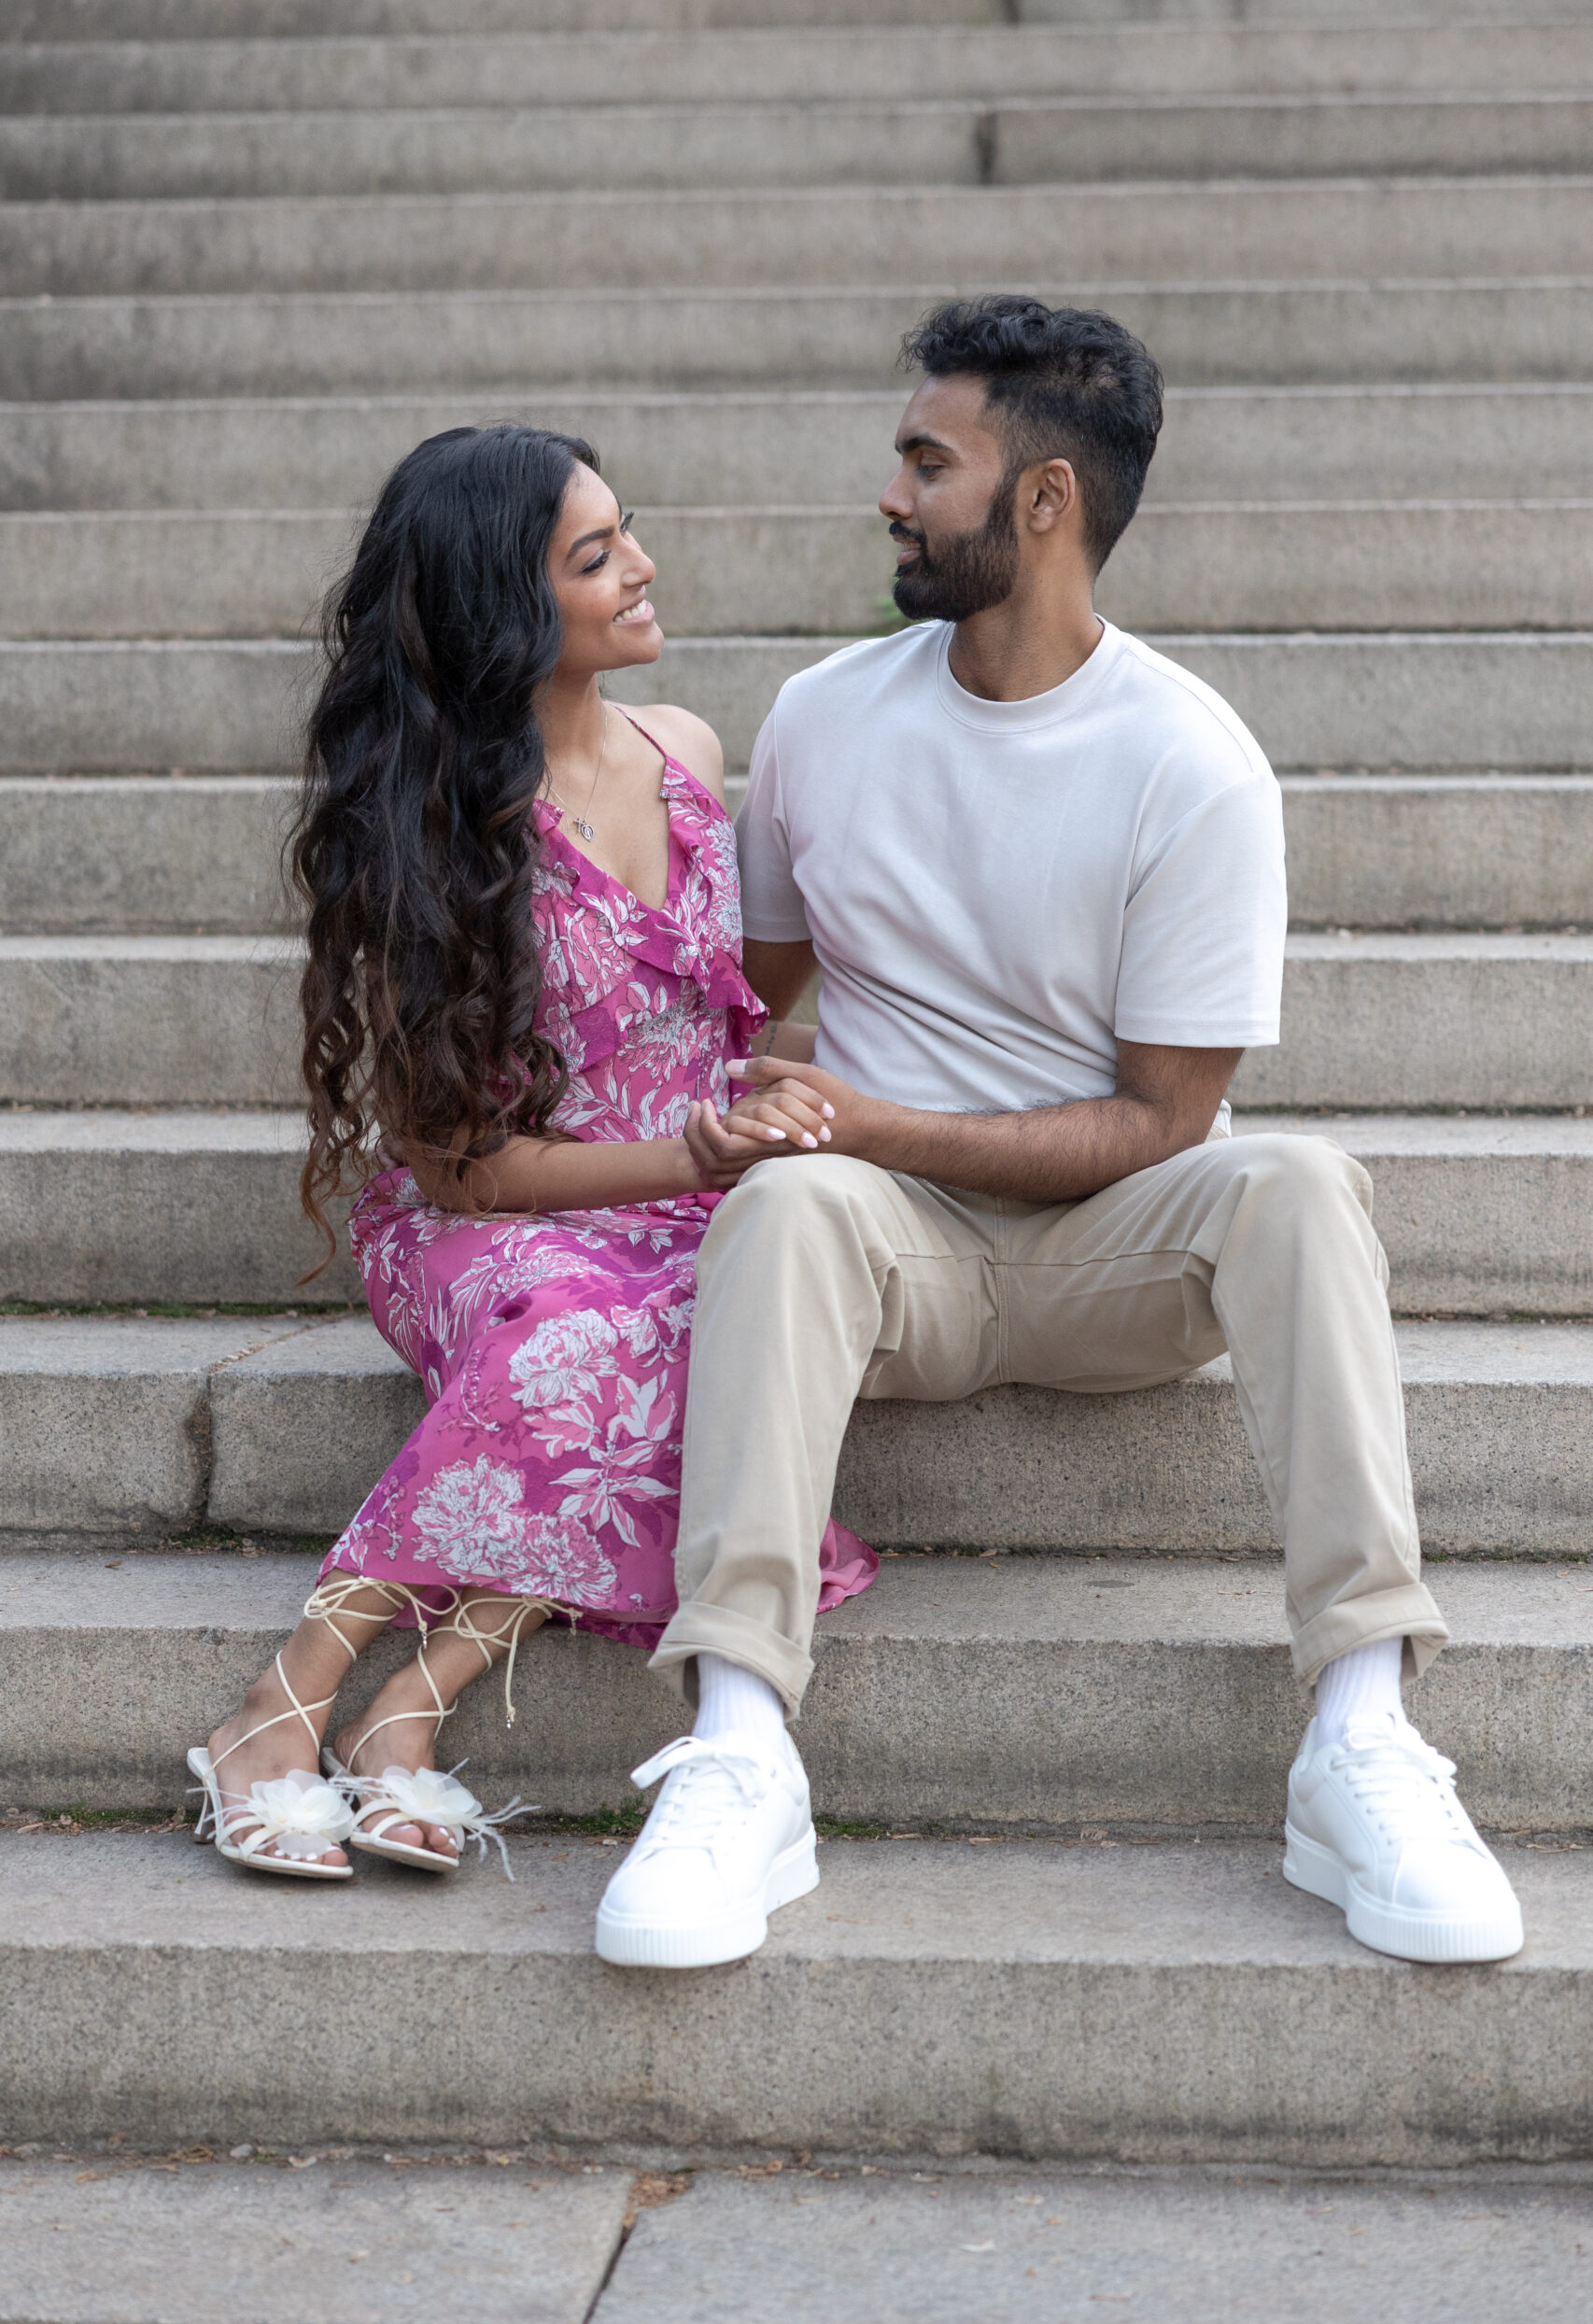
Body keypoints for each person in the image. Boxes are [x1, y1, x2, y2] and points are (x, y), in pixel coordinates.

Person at [594, 297, 1526, 1971]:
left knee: (1299, 1183)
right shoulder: (820, 718)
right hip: (884, 1255)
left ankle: (1362, 1728)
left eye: (926, 462)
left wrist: (868, 1115)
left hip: (1117, 1261)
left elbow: (1165, 1122)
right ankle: (737, 1744)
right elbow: (739, 995)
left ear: (1043, 500)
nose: (891, 496)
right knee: (792, 1208)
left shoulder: (1190, 763)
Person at [188, 423, 876, 1885]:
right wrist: (689, 1160)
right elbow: (463, 1170)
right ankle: (288, 1697)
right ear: (503, 606)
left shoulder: (686, 752)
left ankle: (409, 1711)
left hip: (690, 1202)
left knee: (713, 1316)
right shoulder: (437, 827)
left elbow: (724, 1004)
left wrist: (768, 1115)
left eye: (627, 533)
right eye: (595, 556)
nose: (643, 568)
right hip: (493, 1221)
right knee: (586, 1326)